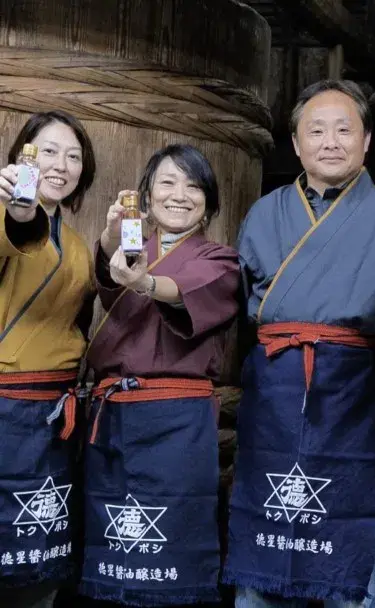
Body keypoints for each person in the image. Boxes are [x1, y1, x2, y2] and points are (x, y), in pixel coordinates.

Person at [224, 79, 375, 608]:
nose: (331, 141)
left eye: (345, 129)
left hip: (354, 388)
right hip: (276, 386)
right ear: (296, 143)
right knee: (269, 511)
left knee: (348, 518)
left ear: (366, 141)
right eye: (316, 130)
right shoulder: (265, 211)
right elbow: (241, 310)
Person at [78, 144, 240, 606]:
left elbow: (173, 290)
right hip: (113, 420)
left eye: (194, 186)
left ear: (208, 202)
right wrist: (112, 239)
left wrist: (146, 283)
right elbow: (112, 283)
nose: (180, 195)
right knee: (113, 550)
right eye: (167, 182)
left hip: (176, 423)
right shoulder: (130, 250)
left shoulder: (219, 260)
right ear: (146, 198)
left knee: (171, 548)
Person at [0, 111, 97, 607]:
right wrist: (17, 214)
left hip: (53, 414)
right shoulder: (5, 214)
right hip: (5, 408)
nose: (62, 165)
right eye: (50, 151)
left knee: (43, 550)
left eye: (74, 155)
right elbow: (16, 232)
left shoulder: (78, 245)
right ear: (23, 156)